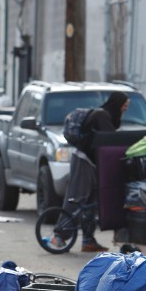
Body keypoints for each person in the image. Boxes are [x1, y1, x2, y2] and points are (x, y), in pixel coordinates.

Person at [51, 91, 130, 252]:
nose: (125, 109)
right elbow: (111, 142)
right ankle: (59, 235)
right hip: (83, 160)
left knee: (90, 204)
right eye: (124, 106)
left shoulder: (106, 116)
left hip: (94, 163)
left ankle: (88, 240)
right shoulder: (102, 116)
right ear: (117, 103)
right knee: (76, 198)